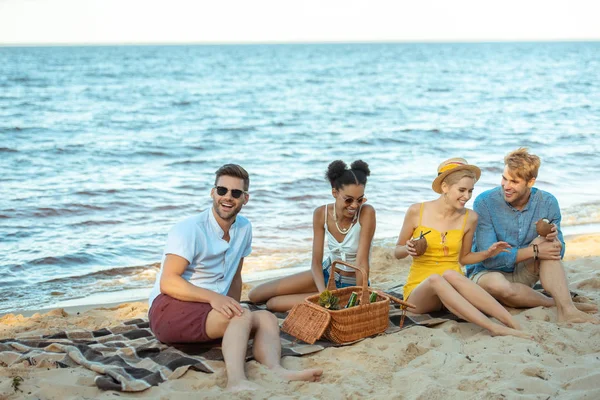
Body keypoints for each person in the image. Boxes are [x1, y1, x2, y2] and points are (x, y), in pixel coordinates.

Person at [147, 164, 323, 392]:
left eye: (235, 193)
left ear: (245, 198)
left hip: (206, 308)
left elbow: (235, 275)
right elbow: (168, 281)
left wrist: (232, 304)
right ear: (213, 193)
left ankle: (276, 370)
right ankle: (236, 381)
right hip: (169, 306)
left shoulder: (244, 228)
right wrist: (216, 300)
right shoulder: (189, 229)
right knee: (240, 318)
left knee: (265, 319)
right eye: (222, 190)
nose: (227, 197)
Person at [395, 157, 531, 339]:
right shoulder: (416, 211)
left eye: (470, 191)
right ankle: (493, 327)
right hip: (420, 294)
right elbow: (397, 252)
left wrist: (488, 253)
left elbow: (464, 258)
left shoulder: (470, 218)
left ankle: (511, 322)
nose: (466, 196)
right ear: (445, 187)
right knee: (437, 278)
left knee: (451, 274)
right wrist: (408, 248)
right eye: (461, 190)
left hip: (453, 290)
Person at [466, 148, 599, 323]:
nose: (506, 186)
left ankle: (567, 311)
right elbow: (490, 259)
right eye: (504, 178)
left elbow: (558, 254)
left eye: (514, 181)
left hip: (525, 273)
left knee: (548, 242)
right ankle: (555, 302)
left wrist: (554, 241)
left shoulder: (547, 202)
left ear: (531, 182)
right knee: (498, 285)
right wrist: (535, 251)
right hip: (488, 274)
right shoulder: (485, 202)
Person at [248, 160, 376, 312]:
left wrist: (360, 295)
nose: (354, 205)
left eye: (360, 199)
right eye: (348, 199)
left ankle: (324, 299)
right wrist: (323, 294)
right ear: (335, 193)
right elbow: (316, 262)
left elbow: (361, 262)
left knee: (273, 304)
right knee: (255, 295)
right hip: (327, 274)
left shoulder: (367, 213)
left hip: (352, 284)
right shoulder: (321, 213)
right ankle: (317, 296)